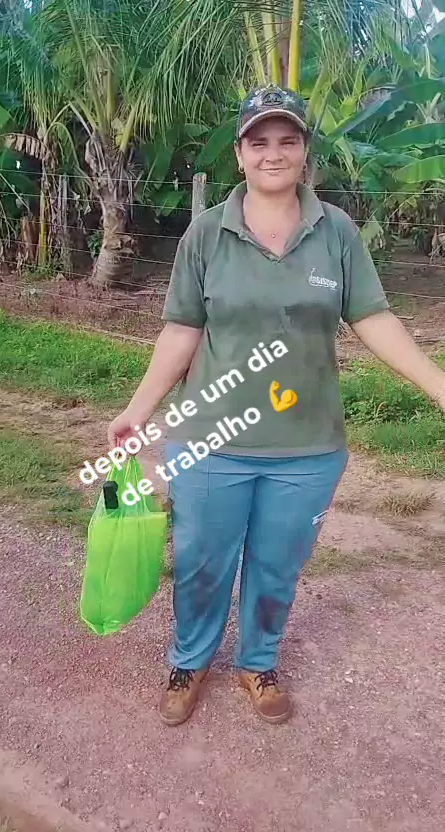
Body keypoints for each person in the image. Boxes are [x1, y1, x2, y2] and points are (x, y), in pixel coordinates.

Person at [108, 85, 445, 727]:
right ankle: (189, 661)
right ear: (240, 153)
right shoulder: (206, 233)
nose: (273, 153)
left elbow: (372, 318)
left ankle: (258, 663)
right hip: (211, 439)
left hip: (307, 445)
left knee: (277, 565)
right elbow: (182, 330)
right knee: (203, 562)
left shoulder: (335, 231)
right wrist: (139, 409)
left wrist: (438, 385)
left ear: (304, 151)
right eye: (258, 141)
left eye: (287, 140)